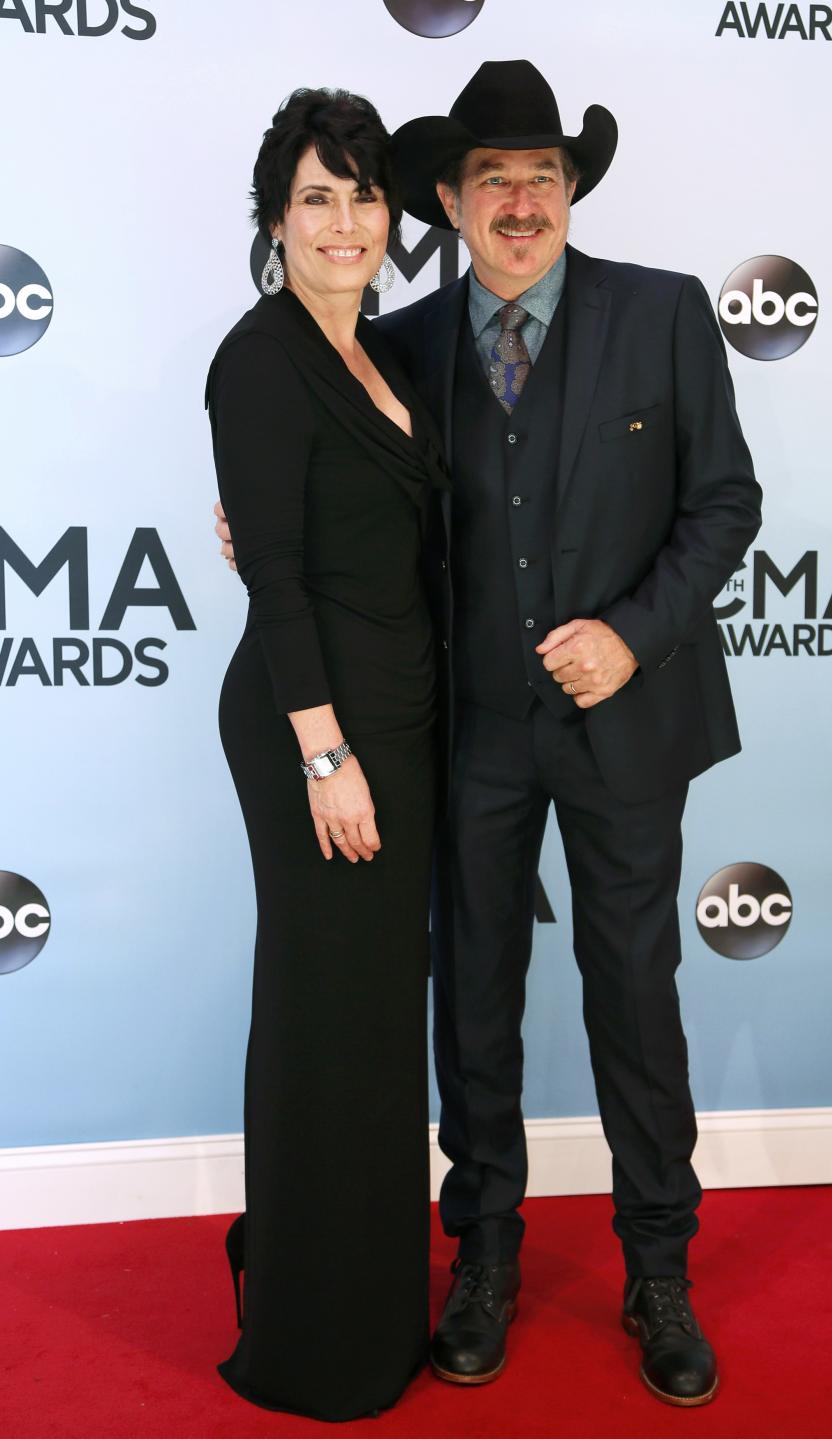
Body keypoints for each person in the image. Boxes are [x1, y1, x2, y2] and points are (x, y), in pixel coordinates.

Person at [217, 59, 762, 1410]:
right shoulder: (395, 344)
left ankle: (660, 1273)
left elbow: (727, 505)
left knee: (637, 996)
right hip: (462, 737)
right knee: (475, 1006)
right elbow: (330, 481)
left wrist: (633, 632)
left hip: (626, 725)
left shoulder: (667, 314)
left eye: (545, 176)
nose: (522, 201)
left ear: (569, 190)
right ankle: (486, 1261)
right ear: (447, 202)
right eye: (492, 179)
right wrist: (256, 539)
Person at [206, 87, 446, 1423]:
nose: (345, 220)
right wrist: (322, 757)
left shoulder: (388, 355)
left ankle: (366, 1296)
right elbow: (280, 581)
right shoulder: (260, 358)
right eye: (317, 195)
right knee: (319, 1014)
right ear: (275, 218)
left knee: (371, 1027)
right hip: (319, 738)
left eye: (362, 193)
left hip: (401, 730)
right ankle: (306, 1323)